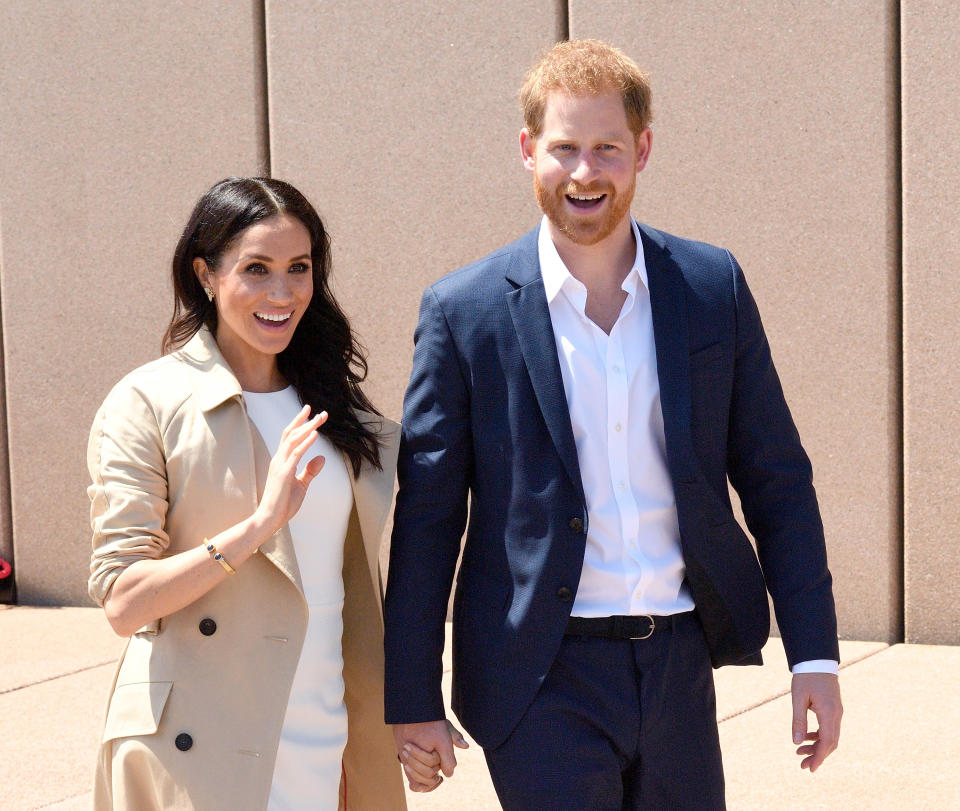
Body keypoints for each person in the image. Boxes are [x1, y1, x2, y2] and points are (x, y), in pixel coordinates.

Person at [384, 39, 843, 809]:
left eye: (607, 148)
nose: (585, 172)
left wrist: (817, 657)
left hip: (679, 665)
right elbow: (428, 518)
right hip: (537, 676)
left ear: (643, 150)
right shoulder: (463, 314)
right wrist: (413, 696)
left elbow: (778, 481)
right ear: (528, 151)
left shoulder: (710, 286)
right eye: (564, 148)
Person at [86, 177, 435, 810]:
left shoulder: (339, 415)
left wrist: (411, 710)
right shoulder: (147, 403)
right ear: (206, 274)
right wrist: (258, 526)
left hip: (328, 730)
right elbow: (123, 602)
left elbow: (359, 595)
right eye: (256, 269)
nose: (282, 293)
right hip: (201, 742)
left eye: (299, 268)